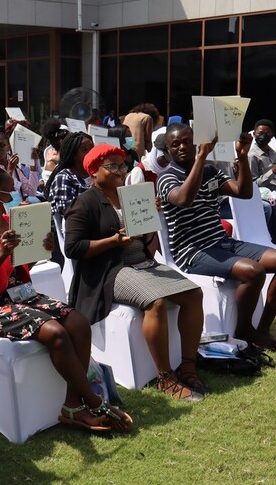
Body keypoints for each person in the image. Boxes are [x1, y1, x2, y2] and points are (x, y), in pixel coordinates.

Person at [0, 153, 132, 432]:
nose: (15, 193)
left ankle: (72, 404)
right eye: (9, 191)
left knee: (78, 322)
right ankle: (94, 400)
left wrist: (42, 248)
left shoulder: (13, 220)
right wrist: (3, 251)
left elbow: (22, 264)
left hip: (22, 294)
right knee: (56, 332)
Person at [65, 144, 205, 400]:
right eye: (113, 166)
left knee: (194, 293)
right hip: (110, 270)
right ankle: (165, 377)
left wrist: (150, 219)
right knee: (155, 302)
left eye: (122, 165)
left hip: (142, 262)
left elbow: (147, 243)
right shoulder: (85, 202)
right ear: (94, 171)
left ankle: (188, 366)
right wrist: (114, 241)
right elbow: (73, 248)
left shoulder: (129, 195)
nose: (120, 170)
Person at [157, 124, 276, 350]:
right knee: (254, 271)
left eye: (187, 142)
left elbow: (243, 192)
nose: (183, 147)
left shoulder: (210, 171)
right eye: (175, 144)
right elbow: (184, 199)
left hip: (221, 241)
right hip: (192, 251)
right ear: (168, 149)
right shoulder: (166, 177)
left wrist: (242, 157)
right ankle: (244, 330)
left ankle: (261, 329)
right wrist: (202, 157)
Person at [247, 118, 276, 244]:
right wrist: (273, 172)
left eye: (267, 133)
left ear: (272, 135)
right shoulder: (252, 156)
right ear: (254, 134)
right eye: (260, 133)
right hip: (268, 195)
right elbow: (253, 184)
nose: (263, 136)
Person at [44, 131, 94, 217]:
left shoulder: (96, 173)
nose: (91, 153)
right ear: (73, 155)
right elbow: (67, 211)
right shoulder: (64, 178)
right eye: (84, 150)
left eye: (92, 148)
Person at [0, 130, 40, 202]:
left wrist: (32, 165)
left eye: (1, 145)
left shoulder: (16, 169)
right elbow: (0, 194)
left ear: (8, 147)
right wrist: (9, 171)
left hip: (18, 210)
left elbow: (31, 192)